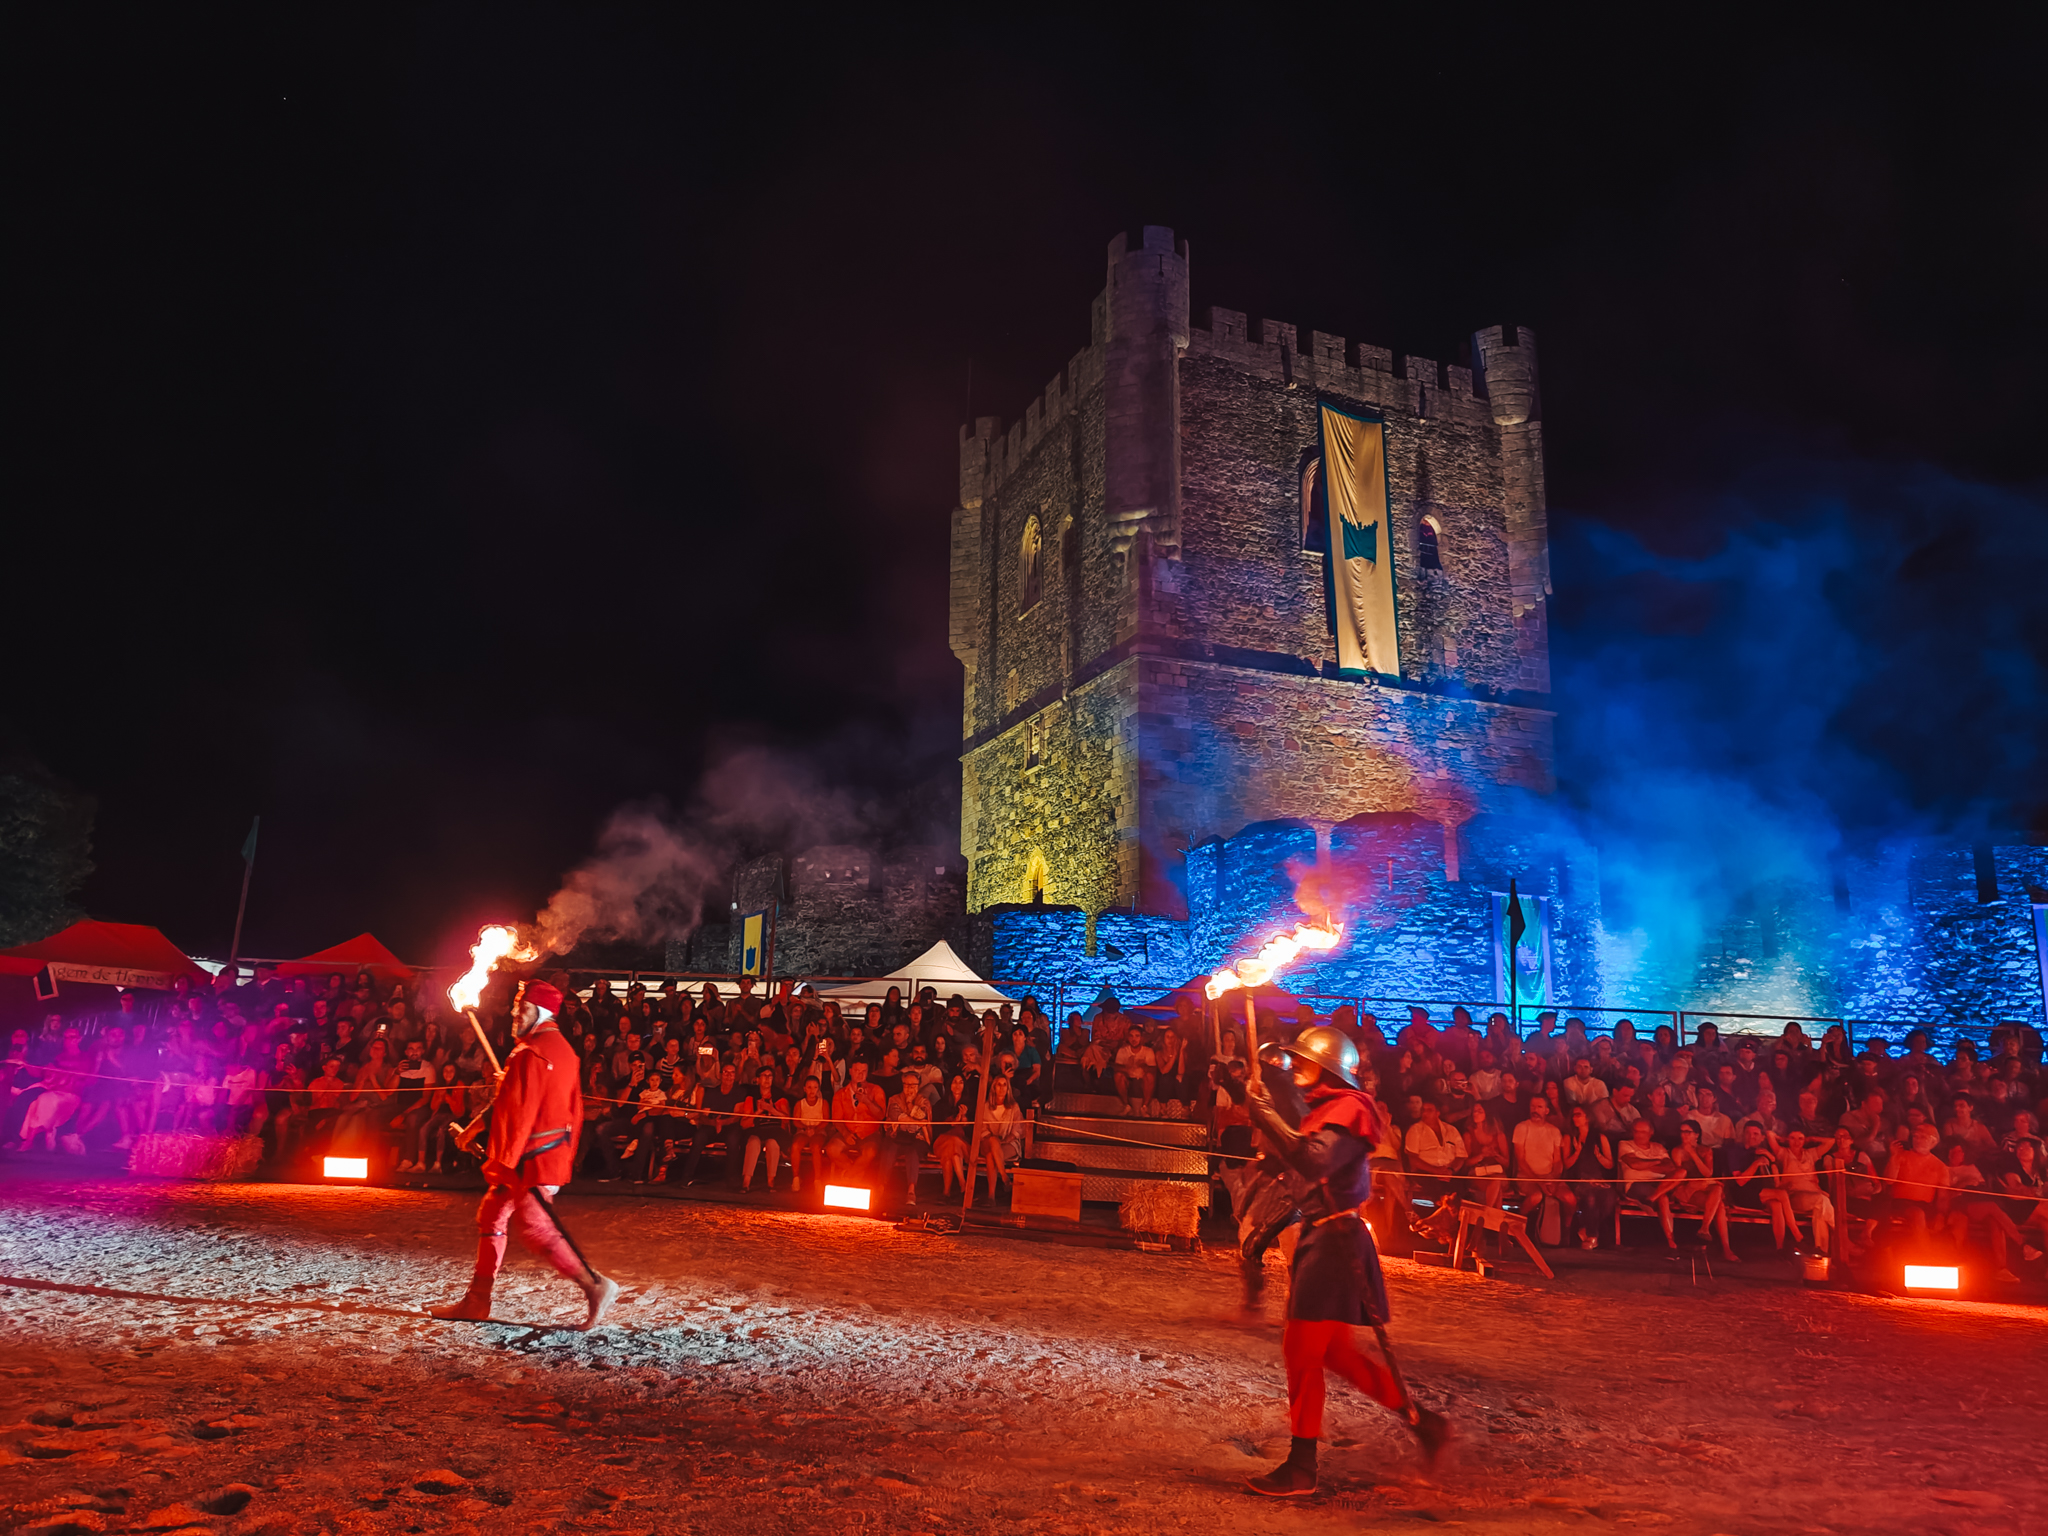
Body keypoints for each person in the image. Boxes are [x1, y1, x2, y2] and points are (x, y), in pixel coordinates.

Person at [1241, 1026, 1448, 1497]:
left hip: (1336, 1244)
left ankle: (1301, 1466)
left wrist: (1265, 1114)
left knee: (1301, 1351)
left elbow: (1314, 1161)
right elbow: (1300, 1154)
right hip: (1323, 1237)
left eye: (1305, 1062)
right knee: (1335, 1354)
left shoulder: (1353, 1109)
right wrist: (1265, 1084)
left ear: (1327, 1068)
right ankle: (1423, 1422)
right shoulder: (1324, 1110)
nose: (1298, 1067)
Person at [429, 982, 618, 1330]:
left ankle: (595, 1285)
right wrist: (476, 1126)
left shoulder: (533, 1054)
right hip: (539, 1153)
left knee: (535, 1228)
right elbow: (515, 1100)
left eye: (524, 1008)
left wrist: (502, 1155)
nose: (516, 1014)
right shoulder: (550, 1049)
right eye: (517, 1007)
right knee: (493, 1214)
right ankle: (477, 1300)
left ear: (541, 1011)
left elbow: (520, 1110)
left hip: (533, 1157)